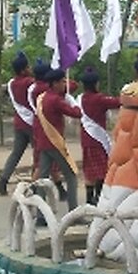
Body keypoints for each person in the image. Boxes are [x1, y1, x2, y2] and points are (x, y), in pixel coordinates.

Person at [33, 68, 83, 210]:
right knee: (71, 176)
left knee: (42, 179)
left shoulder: (42, 97)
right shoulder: (56, 100)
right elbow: (76, 113)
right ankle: (74, 211)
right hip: (55, 143)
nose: (64, 85)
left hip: (43, 142)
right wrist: (72, 102)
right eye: (62, 82)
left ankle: (40, 213)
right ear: (54, 83)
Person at [77, 67, 121, 205]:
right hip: (98, 141)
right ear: (95, 84)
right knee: (102, 170)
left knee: (89, 170)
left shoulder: (81, 98)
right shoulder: (99, 99)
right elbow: (117, 102)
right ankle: (99, 197)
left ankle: (89, 199)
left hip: (85, 139)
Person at [0, 51, 35, 195]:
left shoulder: (11, 83)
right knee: (39, 154)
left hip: (19, 121)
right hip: (32, 123)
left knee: (16, 153)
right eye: (28, 66)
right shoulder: (30, 82)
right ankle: (36, 183)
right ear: (24, 69)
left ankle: (3, 179)